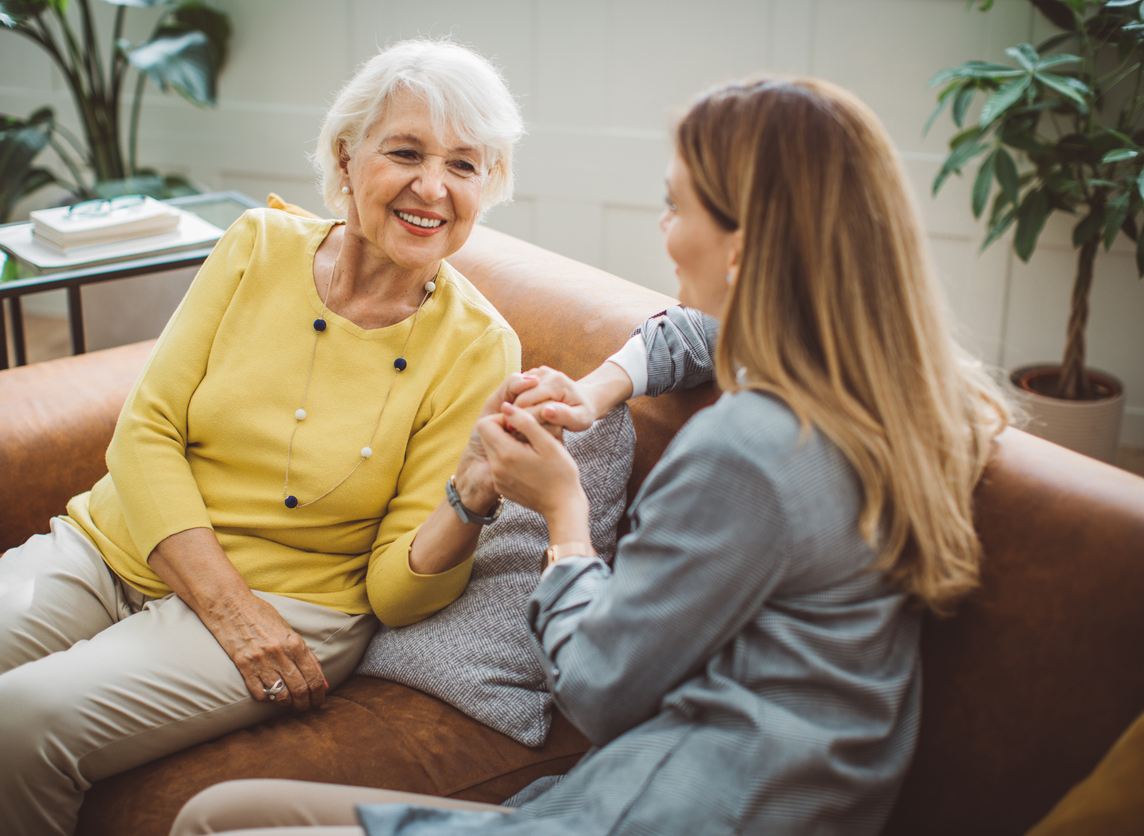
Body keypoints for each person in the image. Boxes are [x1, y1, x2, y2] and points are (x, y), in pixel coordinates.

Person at [167, 76, 1011, 836]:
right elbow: (701, 334)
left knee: (218, 824)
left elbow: (601, 691)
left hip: (667, 809)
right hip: (724, 792)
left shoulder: (748, 450)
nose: (664, 231)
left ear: (746, 247)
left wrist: (563, 511)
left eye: (678, 208)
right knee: (220, 812)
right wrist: (602, 387)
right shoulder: (901, 385)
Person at [0, 38, 524, 836]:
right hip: (125, 544)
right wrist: (223, 604)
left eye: (465, 166)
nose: (431, 187)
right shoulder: (258, 244)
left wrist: (468, 500)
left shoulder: (478, 346)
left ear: (488, 185)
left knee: (17, 726)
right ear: (347, 156)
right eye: (405, 151)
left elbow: (396, 594)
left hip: (291, 601)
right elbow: (146, 428)